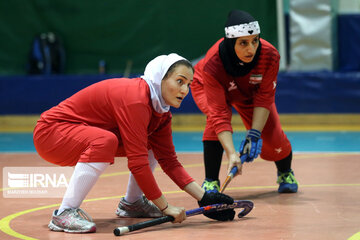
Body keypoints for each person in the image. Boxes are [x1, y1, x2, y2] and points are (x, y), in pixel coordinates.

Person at [33, 53, 235, 233]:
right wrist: (165, 207)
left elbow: (169, 161)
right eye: (180, 81)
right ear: (160, 78)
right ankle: (64, 212)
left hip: (72, 135)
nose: (185, 90)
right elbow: (138, 164)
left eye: (189, 84)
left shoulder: (161, 113)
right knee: (105, 141)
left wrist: (205, 198)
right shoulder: (136, 99)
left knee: (146, 143)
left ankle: (133, 203)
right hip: (50, 133)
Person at [190, 10, 299, 195]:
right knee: (215, 121)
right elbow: (218, 113)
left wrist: (254, 135)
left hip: (250, 92)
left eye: (255, 41)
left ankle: (285, 173)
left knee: (273, 139)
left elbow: (265, 97)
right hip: (209, 86)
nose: (251, 49)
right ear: (231, 43)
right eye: (243, 43)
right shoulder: (213, 64)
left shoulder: (270, 55)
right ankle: (211, 181)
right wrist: (232, 154)